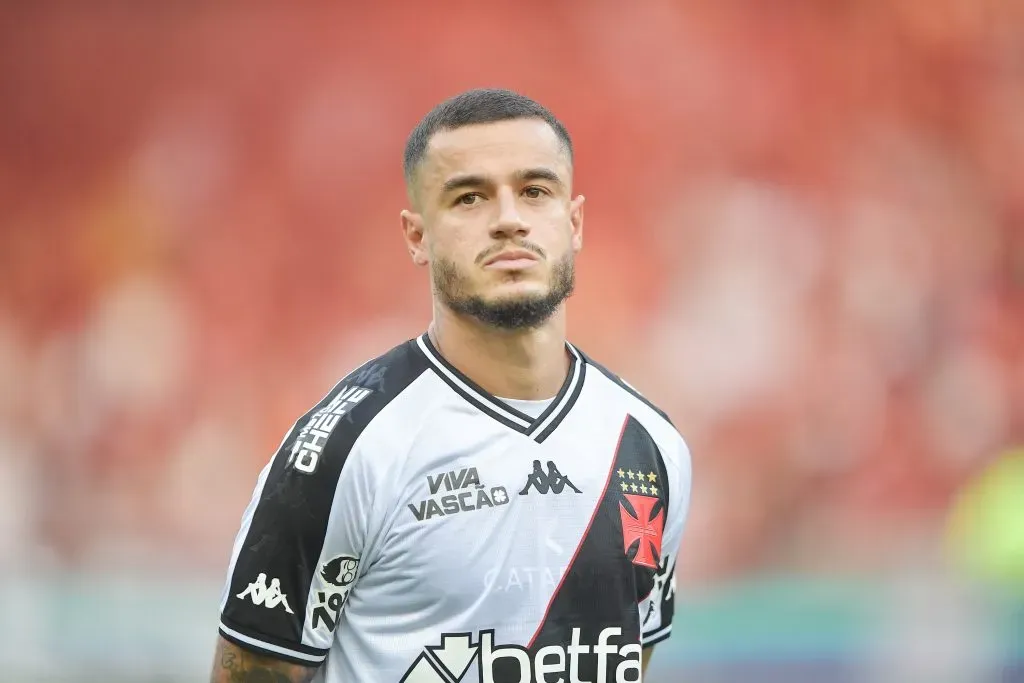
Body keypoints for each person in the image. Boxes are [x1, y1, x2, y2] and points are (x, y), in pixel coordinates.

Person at [209, 88, 693, 683]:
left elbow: (632, 658)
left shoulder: (651, 446)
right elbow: (253, 672)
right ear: (417, 237)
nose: (509, 218)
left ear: (574, 223)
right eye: (469, 197)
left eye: (535, 191)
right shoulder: (347, 451)